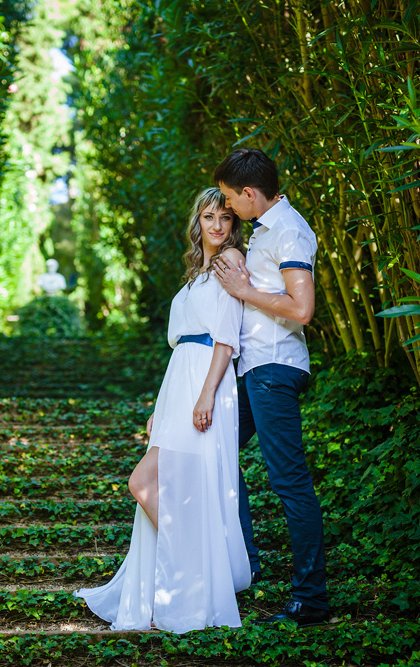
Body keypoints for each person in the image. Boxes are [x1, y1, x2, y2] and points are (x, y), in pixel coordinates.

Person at [75, 187, 251, 633]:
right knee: (157, 482)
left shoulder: (231, 262)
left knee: (148, 481)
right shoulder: (198, 272)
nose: (216, 225)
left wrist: (207, 394)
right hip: (180, 384)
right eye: (209, 217)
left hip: (205, 381)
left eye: (224, 218)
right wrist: (162, 406)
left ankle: (196, 574)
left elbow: (226, 338)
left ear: (233, 224)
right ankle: (188, 574)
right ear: (199, 222)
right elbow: (182, 348)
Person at [211, 147, 331, 627]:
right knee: (216, 450)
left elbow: (302, 310)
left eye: (228, 200)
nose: (227, 210)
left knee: (289, 482)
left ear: (247, 193)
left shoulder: (289, 230)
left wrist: (243, 292)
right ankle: (246, 565)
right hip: (254, 368)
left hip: (274, 368)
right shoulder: (267, 228)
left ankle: (311, 599)